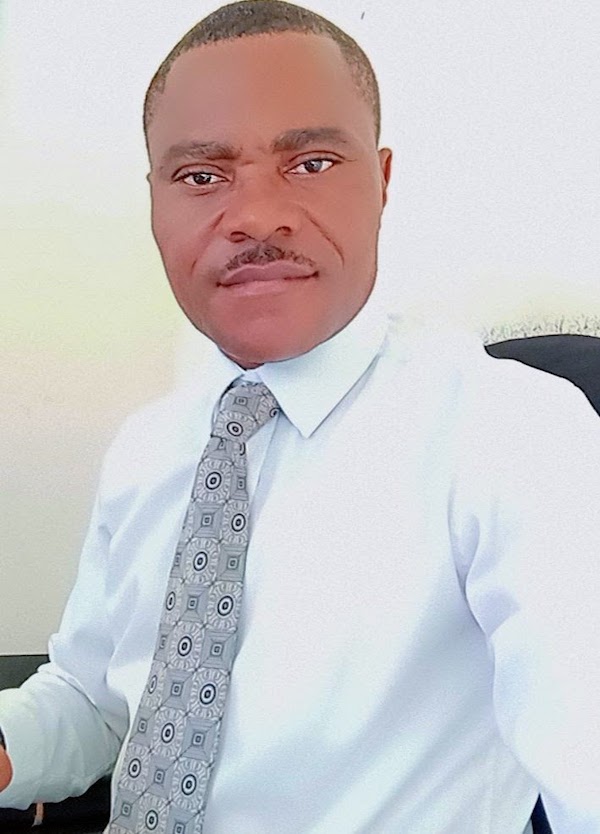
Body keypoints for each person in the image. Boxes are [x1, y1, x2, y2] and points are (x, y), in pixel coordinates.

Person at [1, 2, 599, 832]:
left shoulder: (514, 437)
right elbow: (97, 701)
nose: (255, 215)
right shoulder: (148, 446)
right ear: (155, 202)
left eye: (312, 162)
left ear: (381, 181)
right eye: (201, 176)